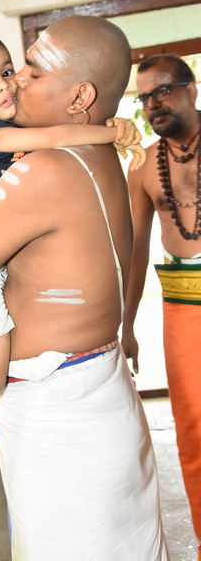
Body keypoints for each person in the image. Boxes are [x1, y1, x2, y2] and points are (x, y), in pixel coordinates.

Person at [0, 16, 170, 560]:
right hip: (103, 397)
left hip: (62, 425)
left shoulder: (43, 171)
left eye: (28, 72)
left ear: (80, 96)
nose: (14, 83)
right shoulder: (100, 154)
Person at [121, 54, 201, 556]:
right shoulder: (143, 167)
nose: (153, 104)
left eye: (163, 91)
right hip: (183, 310)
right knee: (193, 429)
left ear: (191, 88)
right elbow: (134, 251)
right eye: (145, 97)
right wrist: (126, 325)